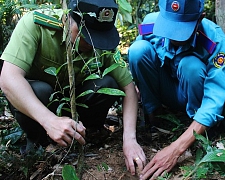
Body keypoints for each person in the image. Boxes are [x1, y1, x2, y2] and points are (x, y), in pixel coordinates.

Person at [0, 0, 146, 176]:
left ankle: (88, 135)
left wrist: (129, 139)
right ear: (68, 18)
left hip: (78, 109)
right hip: (41, 111)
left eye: (98, 38)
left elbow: (129, 88)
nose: (92, 44)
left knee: (107, 84)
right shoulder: (37, 24)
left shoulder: (102, 45)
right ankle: (38, 143)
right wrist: (49, 121)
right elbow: (9, 78)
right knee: (40, 90)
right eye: (86, 36)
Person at [128, 0, 225, 179]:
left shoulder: (214, 40)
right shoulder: (150, 23)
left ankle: (193, 130)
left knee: (190, 65)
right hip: (165, 90)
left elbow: (214, 100)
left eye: (181, 29)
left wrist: (176, 149)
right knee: (137, 51)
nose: (174, 36)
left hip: (192, 96)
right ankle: (154, 118)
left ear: (200, 19)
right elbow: (142, 61)